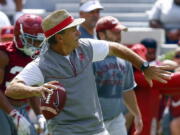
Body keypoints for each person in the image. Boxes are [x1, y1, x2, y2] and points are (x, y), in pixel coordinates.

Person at [5, 9, 171, 135]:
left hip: (96, 129)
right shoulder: (42, 64)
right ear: (60, 37)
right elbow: (12, 88)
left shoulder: (85, 46)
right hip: (64, 132)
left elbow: (114, 47)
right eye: (73, 30)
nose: (79, 32)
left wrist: (144, 66)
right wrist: (37, 90)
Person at [93, 16, 143, 135]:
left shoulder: (124, 58)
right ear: (101, 35)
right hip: (93, 122)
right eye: (114, 32)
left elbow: (127, 90)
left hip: (116, 119)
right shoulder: (90, 57)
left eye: (119, 32)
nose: (119, 36)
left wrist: (137, 114)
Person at [0, 14, 46, 135]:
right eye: (32, 40)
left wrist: (40, 115)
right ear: (19, 35)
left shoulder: (36, 58)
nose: (35, 45)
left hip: (20, 107)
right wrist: (13, 114)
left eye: (38, 41)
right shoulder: (3, 55)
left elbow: (32, 90)